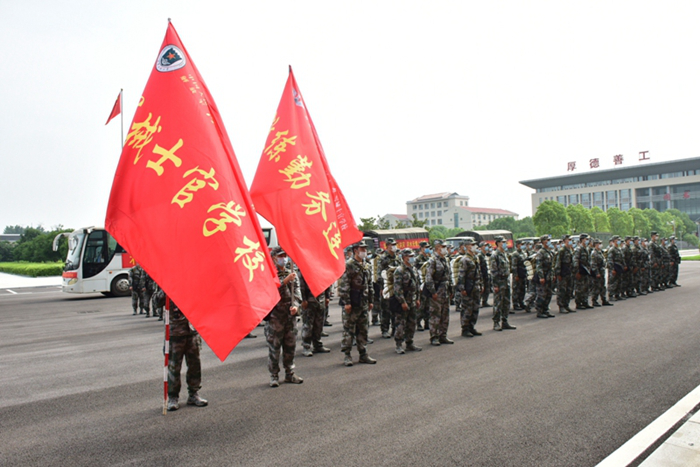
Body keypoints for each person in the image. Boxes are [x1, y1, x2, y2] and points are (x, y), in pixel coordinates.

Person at [153, 289, 207, 411]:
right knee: (174, 368)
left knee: (194, 365)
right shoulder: (165, 281)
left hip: (192, 331)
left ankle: (193, 394)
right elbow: (157, 302)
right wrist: (165, 290)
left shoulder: (191, 283)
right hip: (175, 333)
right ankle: (173, 397)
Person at [265, 247, 303, 387]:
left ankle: (290, 373)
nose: (283, 258)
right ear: (274, 258)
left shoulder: (291, 273)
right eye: (280, 256)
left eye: (285, 256)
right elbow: (270, 291)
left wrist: (296, 306)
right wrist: (285, 282)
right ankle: (274, 375)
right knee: (274, 348)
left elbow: (297, 292)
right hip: (276, 317)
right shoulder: (270, 273)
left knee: (290, 347)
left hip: (290, 316)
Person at [338, 241, 377, 366]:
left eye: (365, 248)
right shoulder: (349, 265)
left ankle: (363, 354)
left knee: (363, 329)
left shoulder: (367, 265)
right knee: (349, 330)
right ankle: (347, 355)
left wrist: (371, 300)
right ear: (355, 250)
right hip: (352, 302)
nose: (364, 251)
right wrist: (347, 303)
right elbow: (344, 285)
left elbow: (369, 284)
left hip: (364, 302)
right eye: (362, 248)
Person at [392, 248, 422, 353]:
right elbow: (397, 288)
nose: (412, 258)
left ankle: (410, 342)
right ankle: (399, 344)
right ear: (404, 257)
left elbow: (417, 285)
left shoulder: (413, 269)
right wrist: (402, 302)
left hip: (412, 300)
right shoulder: (399, 270)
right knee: (401, 323)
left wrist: (418, 298)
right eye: (410, 256)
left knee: (412, 323)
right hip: (403, 301)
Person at [425, 239, 453, 345]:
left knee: (445, 314)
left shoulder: (445, 260)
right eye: (443, 247)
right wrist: (433, 292)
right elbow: (429, 278)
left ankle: (443, 335)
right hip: (437, 292)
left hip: (445, 291)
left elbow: (448, 277)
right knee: (435, 315)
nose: (445, 249)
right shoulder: (432, 261)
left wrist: (451, 289)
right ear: (438, 248)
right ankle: (434, 336)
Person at [299, 271, 331, 357]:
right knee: (308, 325)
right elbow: (301, 285)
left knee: (319, 324)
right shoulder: (305, 268)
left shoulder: (320, 267)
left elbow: (326, 281)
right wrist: (303, 299)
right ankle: (306, 346)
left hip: (321, 299)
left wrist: (327, 296)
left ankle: (317, 344)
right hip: (309, 300)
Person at [457, 237, 483, 337]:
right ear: (467, 247)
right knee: (467, 308)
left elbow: (479, 273)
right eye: (472, 245)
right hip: (468, 287)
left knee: (475, 308)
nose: (475, 247)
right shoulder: (464, 259)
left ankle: (472, 327)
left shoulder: (475, 258)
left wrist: (481, 285)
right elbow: (461, 275)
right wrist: (462, 288)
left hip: (476, 286)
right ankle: (465, 328)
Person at [490, 236, 516, 330]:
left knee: (506, 302)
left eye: (505, 242)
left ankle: (505, 321)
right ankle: (496, 323)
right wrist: (495, 285)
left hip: (506, 281)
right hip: (499, 282)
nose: (505, 243)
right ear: (498, 243)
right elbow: (493, 271)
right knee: (498, 303)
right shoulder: (495, 255)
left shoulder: (504, 254)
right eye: (503, 242)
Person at [379, 238, 401, 338]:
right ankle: (384, 329)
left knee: (395, 308)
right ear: (387, 246)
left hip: (395, 287)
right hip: (386, 286)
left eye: (395, 244)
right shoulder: (383, 258)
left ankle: (395, 328)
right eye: (392, 245)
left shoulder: (397, 258)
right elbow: (379, 274)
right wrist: (381, 288)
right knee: (385, 309)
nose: (394, 246)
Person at [535, 235, 556, 319]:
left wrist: (553, 275)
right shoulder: (541, 252)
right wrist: (541, 277)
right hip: (544, 276)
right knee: (542, 294)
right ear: (544, 242)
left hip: (549, 276)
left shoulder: (549, 252)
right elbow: (539, 266)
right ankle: (540, 311)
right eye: (548, 240)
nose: (549, 241)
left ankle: (545, 310)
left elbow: (552, 266)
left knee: (548, 294)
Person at [554, 235, 574, 314]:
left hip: (569, 273)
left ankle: (566, 305)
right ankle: (561, 306)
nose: (570, 241)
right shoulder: (562, 250)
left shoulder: (570, 250)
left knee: (568, 290)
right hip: (563, 273)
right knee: (562, 290)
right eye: (569, 239)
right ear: (565, 241)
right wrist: (558, 274)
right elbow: (558, 263)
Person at [414, 241, 431, 331]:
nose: (427, 249)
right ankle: (418, 322)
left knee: (428, 304)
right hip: (421, 283)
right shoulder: (418, 259)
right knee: (422, 305)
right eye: (425, 247)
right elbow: (416, 272)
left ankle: (427, 322)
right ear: (421, 248)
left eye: (428, 247)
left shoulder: (430, 258)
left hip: (429, 283)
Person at [573, 233, 593, 310]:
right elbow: (576, 261)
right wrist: (577, 272)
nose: (587, 241)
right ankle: (579, 303)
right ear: (582, 240)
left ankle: (585, 302)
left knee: (586, 287)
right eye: (586, 239)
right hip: (580, 271)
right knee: (579, 288)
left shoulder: (587, 249)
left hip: (586, 271)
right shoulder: (578, 249)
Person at [510, 239, 528, 311]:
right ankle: (515, 303)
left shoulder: (524, 253)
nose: (523, 246)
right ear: (517, 245)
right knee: (516, 289)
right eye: (521, 244)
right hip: (518, 273)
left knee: (522, 289)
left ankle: (521, 302)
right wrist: (516, 275)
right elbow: (514, 265)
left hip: (523, 273)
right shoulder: (515, 254)